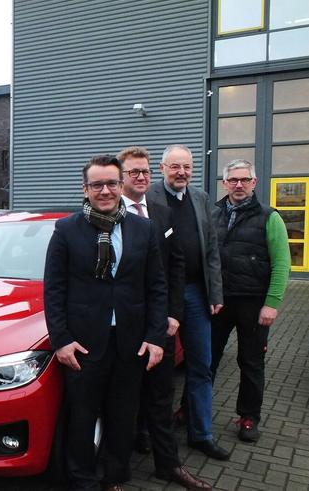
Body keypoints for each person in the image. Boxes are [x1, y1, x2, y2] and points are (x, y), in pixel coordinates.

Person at [44, 155, 166, 491]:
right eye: (97, 184)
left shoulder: (144, 229)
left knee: (123, 416)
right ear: (85, 189)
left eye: (112, 183)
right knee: (81, 417)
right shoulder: (67, 229)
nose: (105, 190)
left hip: (131, 341)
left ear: (121, 185)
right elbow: (54, 288)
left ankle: (115, 477)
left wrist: (156, 337)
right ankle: (82, 480)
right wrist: (61, 340)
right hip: (83, 344)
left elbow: (157, 286)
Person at [119, 147, 211, 490]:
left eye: (144, 171)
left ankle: (168, 466)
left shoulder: (161, 212)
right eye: (134, 172)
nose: (141, 177)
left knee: (161, 396)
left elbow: (176, 265)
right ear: (120, 177)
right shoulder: (107, 213)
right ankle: (115, 472)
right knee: (122, 400)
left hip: (160, 324)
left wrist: (174, 314)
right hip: (123, 325)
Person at [146, 144, 229, 460]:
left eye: (187, 167)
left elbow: (211, 250)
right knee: (156, 369)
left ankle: (201, 434)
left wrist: (216, 293)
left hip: (195, 292)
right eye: (175, 166)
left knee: (201, 365)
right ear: (162, 168)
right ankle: (150, 433)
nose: (182, 172)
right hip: (159, 295)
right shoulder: (149, 197)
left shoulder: (200, 198)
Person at [211, 159, 290, 443]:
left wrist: (272, 303)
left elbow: (282, 263)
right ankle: (191, 408)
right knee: (207, 359)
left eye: (245, 179)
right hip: (219, 301)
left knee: (251, 362)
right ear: (225, 183)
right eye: (233, 180)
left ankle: (248, 417)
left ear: (254, 183)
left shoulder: (270, 217)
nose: (239, 185)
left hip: (254, 303)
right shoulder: (213, 214)